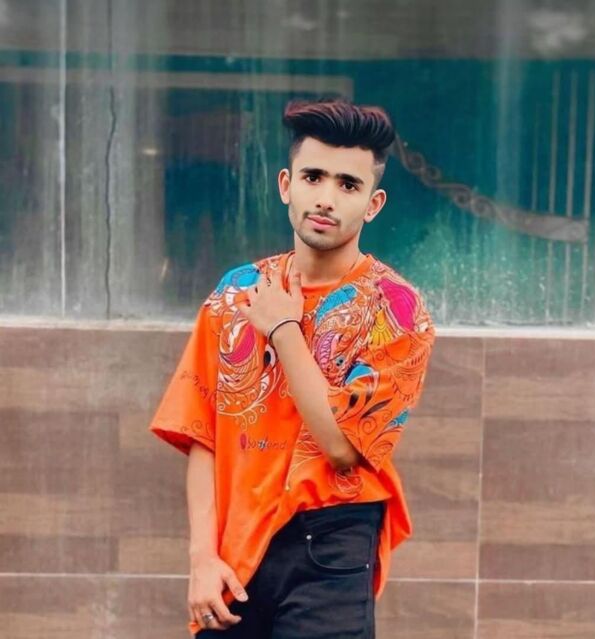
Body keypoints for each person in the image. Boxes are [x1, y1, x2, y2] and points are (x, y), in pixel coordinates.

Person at [149, 97, 436, 638]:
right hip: (236, 547)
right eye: (313, 177)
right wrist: (201, 557)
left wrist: (283, 328)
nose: (326, 198)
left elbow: (342, 447)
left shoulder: (396, 310)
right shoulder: (235, 293)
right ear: (286, 185)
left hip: (331, 542)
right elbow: (202, 433)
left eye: (348, 185)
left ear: (373, 204)